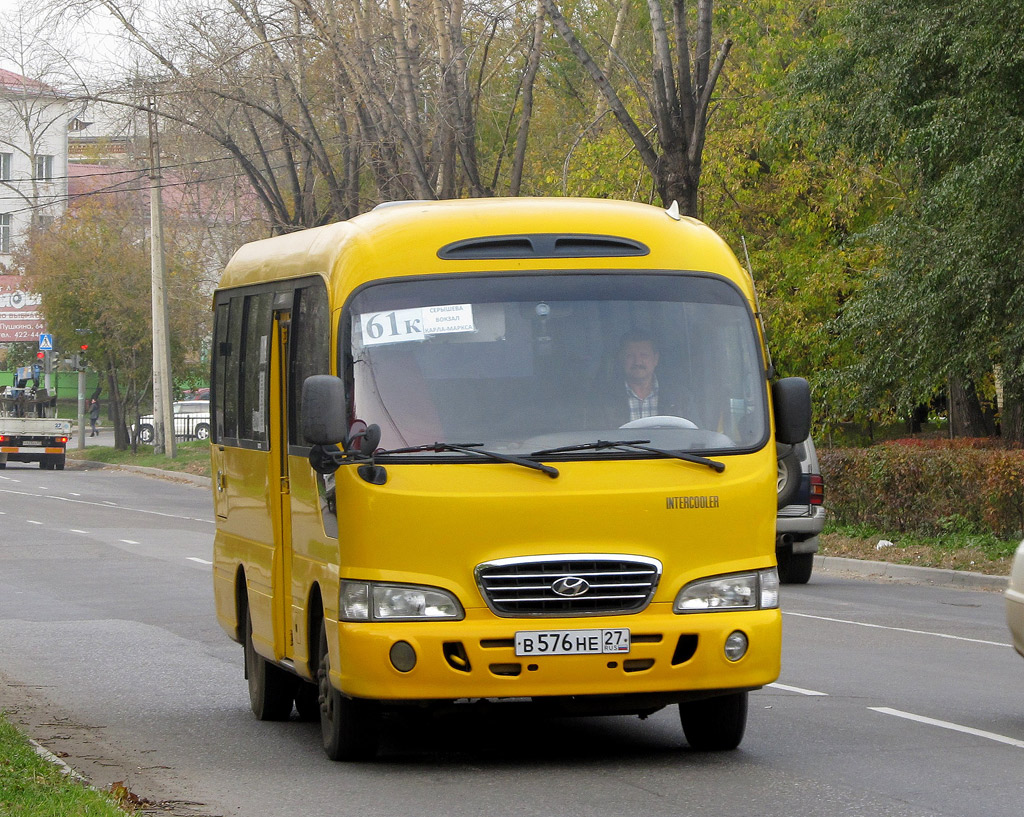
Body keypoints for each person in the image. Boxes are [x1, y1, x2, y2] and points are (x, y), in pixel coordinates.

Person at [590, 330, 689, 428]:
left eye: (644, 355)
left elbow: (697, 439)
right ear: (621, 359)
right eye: (630, 356)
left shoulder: (680, 398)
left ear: (655, 359)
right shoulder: (602, 400)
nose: (637, 362)